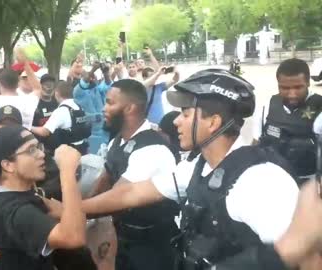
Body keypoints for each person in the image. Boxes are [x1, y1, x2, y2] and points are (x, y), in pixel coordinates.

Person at [45, 69, 301, 269]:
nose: (176, 121)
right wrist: (72, 209)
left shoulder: (261, 180)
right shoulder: (197, 168)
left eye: (186, 113)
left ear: (213, 122)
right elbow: (130, 194)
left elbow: (303, 256)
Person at [79, 79, 181, 270]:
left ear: (129, 108)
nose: (103, 108)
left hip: (153, 248)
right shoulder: (117, 141)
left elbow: (118, 198)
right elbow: (104, 182)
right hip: (125, 239)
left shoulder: (152, 149)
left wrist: (71, 212)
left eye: (109, 102)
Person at [0, 126, 86, 270]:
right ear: (8, 165)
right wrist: (68, 172)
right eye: (31, 150)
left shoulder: (1, 197)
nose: (41, 154)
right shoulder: (16, 210)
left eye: (39, 147)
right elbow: (73, 237)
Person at [253, 58, 322, 185]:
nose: (292, 94)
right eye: (285, 88)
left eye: (298, 87)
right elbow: (256, 144)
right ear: (278, 84)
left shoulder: (320, 109)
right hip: (271, 183)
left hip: (309, 188)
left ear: (307, 83)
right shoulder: (266, 106)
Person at [32, 81, 91, 155]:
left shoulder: (61, 111)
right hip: (82, 149)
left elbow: (44, 132)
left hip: (68, 153)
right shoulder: (79, 107)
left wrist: (29, 127)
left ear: (56, 93)